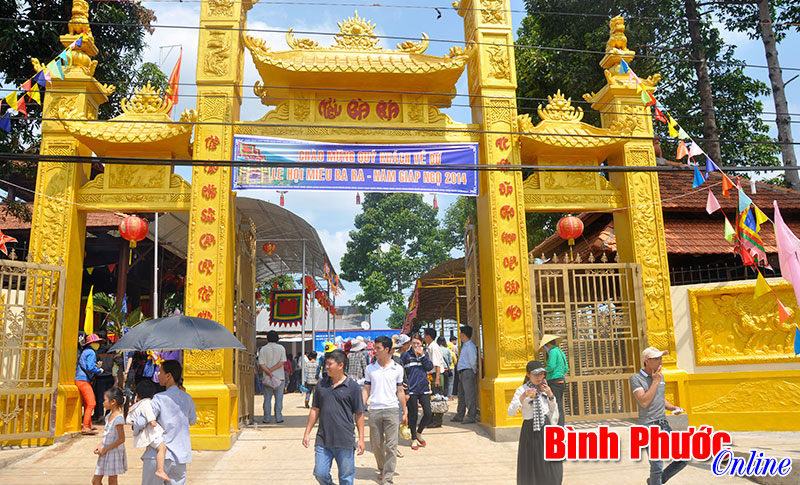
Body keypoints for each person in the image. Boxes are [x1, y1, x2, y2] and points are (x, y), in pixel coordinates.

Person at [302, 349, 365, 485]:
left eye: (330, 364)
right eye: (326, 364)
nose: (327, 367)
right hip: (323, 439)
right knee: (320, 473)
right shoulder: (321, 385)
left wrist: (361, 438)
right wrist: (307, 432)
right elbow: (314, 410)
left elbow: (359, 414)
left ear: (341, 365)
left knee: (346, 478)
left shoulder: (352, 387)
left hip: (345, 439)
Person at [630, 347, 688, 485]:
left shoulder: (660, 377)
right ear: (647, 361)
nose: (660, 361)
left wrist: (672, 407)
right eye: (657, 359)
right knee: (657, 466)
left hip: (664, 424)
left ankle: (656, 482)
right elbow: (644, 401)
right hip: (649, 426)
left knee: (682, 458)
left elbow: (660, 397)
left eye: (661, 358)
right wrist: (655, 381)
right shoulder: (636, 379)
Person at [134, 360, 197, 485]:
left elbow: (140, 422)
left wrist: (135, 424)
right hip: (180, 457)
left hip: (158, 455)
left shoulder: (159, 398)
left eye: (160, 372)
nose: (158, 374)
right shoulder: (187, 398)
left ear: (168, 376)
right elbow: (192, 420)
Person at [507, 360, 562, 485]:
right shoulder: (522, 389)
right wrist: (523, 397)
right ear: (528, 374)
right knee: (531, 462)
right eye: (535, 374)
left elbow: (553, 409)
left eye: (541, 374)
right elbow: (510, 412)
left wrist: (550, 395)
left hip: (546, 427)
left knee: (551, 463)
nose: (539, 377)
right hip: (530, 430)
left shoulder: (545, 388)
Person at [363, 336, 407, 484]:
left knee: (392, 445)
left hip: (392, 409)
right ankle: (382, 468)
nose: (374, 351)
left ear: (387, 350)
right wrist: (361, 406)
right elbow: (366, 389)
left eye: (378, 348)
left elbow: (400, 391)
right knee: (376, 444)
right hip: (374, 410)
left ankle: (387, 478)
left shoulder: (398, 369)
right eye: (374, 348)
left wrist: (405, 411)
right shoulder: (370, 369)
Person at [126, 380, 169, 482]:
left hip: (145, 433)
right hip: (150, 434)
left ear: (137, 394)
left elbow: (128, 420)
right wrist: (152, 421)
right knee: (162, 448)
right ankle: (160, 470)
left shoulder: (137, 405)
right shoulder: (147, 403)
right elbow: (148, 412)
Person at [401, 334, 433, 451]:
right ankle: (413, 438)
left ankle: (419, 432)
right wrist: (404, 386)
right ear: (410, 343)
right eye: (413, 343)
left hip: (424, 388)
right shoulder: (406, 355)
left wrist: (423, 356)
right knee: (413, 415)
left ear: (422, 343)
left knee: (428, 413)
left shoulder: (425, 354)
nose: (416, 346)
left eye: (418, 343)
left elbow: (429, 367)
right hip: (412, 389)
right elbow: (401, 371)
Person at [92, 387, 128, 485]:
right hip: (105, 451)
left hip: (113, 452)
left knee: (112, 480)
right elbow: (106, 434)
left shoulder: (119, 418)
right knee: (96, 480)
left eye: (105, 400)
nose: (103, 402)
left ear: (113, 402)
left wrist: (106, 448)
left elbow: (121, 439)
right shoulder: (108, 416)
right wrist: (100, 445)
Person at [76, 333, 104, 435]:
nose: (98, 344)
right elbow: (90, 367)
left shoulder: (85, 351)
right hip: (83, 380)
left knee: (88, 403)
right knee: (92, 403)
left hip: (80, 379)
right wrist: (99, 370)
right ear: (92, 343)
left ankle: (88, 424)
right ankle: (86, 426)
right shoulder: (91, 352)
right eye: (96, 342)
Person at [258, 330, 287, 424]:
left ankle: (267, 418)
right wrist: (273, 370)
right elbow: (282, 362)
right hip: (279, 378)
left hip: (267, 378)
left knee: (267, 398)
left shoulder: (263, 349)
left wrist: (268, 372)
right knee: (279, 398)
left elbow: (261, 364)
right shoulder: (281, 348)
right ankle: (278, 417)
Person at [93, 330, 122, 424]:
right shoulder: (112, 350)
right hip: (110, 376)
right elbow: (119, 362)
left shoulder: (97, 351)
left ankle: (100, 415)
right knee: (109, 397)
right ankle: (108, 415)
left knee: (100, 397)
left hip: (100, 377)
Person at [452, 326, 479, 424]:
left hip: (467, 372)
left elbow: (473, 361)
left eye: (460, 333)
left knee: (469, 395)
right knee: (462, 395)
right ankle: (460, 414)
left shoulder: (470, 347)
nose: (459, 336)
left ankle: (471, 416)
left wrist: (474, 371)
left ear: (463, 334)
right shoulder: (465, 346)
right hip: (463, 372)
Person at [541, 334, 569, 426]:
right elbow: (566, 368)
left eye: (544, 347)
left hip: (554, 381)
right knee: (560, 404)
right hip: (561, 380)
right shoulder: (560, 351)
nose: (544, 350)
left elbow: (551, 366)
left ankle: (557, 425)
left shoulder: (553, 352)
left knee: (554, 404)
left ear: (548, 345)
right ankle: (561, 425)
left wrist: (543, 371)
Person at [422, 329, 444, 393]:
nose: (424, 338)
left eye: (424, 336)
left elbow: (437, 364)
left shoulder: (434, 348)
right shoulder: (430, 347)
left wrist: (437, 379)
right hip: (433, 374)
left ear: (428, 337)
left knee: (437, 396)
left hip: (436, 374)